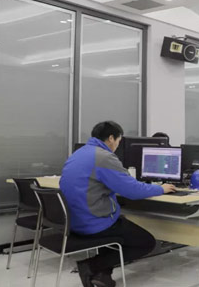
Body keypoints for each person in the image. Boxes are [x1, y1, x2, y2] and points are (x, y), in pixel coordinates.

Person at [60, 121, 176, 287]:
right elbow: (132, 191)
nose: (118, 146)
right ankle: (90, 265)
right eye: (119, 141)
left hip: (74, 221)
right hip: (93, 222)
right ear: (111, 138)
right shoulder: (104, 157)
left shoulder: (79, 153)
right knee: (146, 242)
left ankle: (103, 276)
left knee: (118, 225)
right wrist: (160, 189)